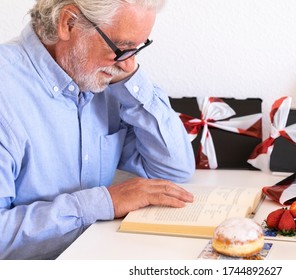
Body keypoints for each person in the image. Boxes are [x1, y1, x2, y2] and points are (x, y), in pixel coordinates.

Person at [0, 0, 196, 260]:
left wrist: (131, 82)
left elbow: (174, 169)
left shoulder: (102, 79)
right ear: (68, 23)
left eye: (138, 49)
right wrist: (105, 203)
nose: (128, 65)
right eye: (122, 48)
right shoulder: (6, 92)